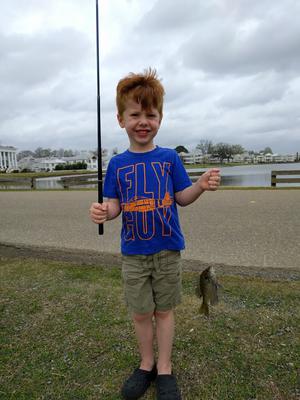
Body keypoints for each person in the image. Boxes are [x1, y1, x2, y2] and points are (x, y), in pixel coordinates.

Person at [89, 68, 221, 400]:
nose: (143, 121)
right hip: (133, 254)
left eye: (151, 114)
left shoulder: (170, 158)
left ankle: (164, 368)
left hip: (167, 251)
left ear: (160, 118)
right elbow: (115, 205)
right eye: (135, 114)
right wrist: (105, 211)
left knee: (164, 311)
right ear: (121, 119)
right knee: (140, 312)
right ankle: (145, 363)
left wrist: (200, 186)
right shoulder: (117, 164)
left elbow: (182, 198)